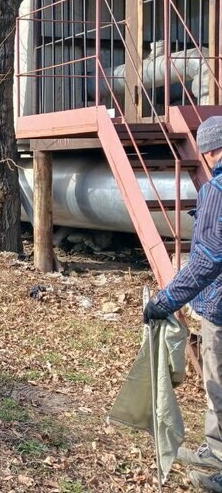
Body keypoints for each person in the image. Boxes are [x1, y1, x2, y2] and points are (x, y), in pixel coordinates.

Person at [142, 116, 222, 491]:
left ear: (207, 151)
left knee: (219, 385)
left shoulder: (217, 191)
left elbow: (206, 259)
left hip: (221, 309)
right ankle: (215, 449)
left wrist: (166, 301)